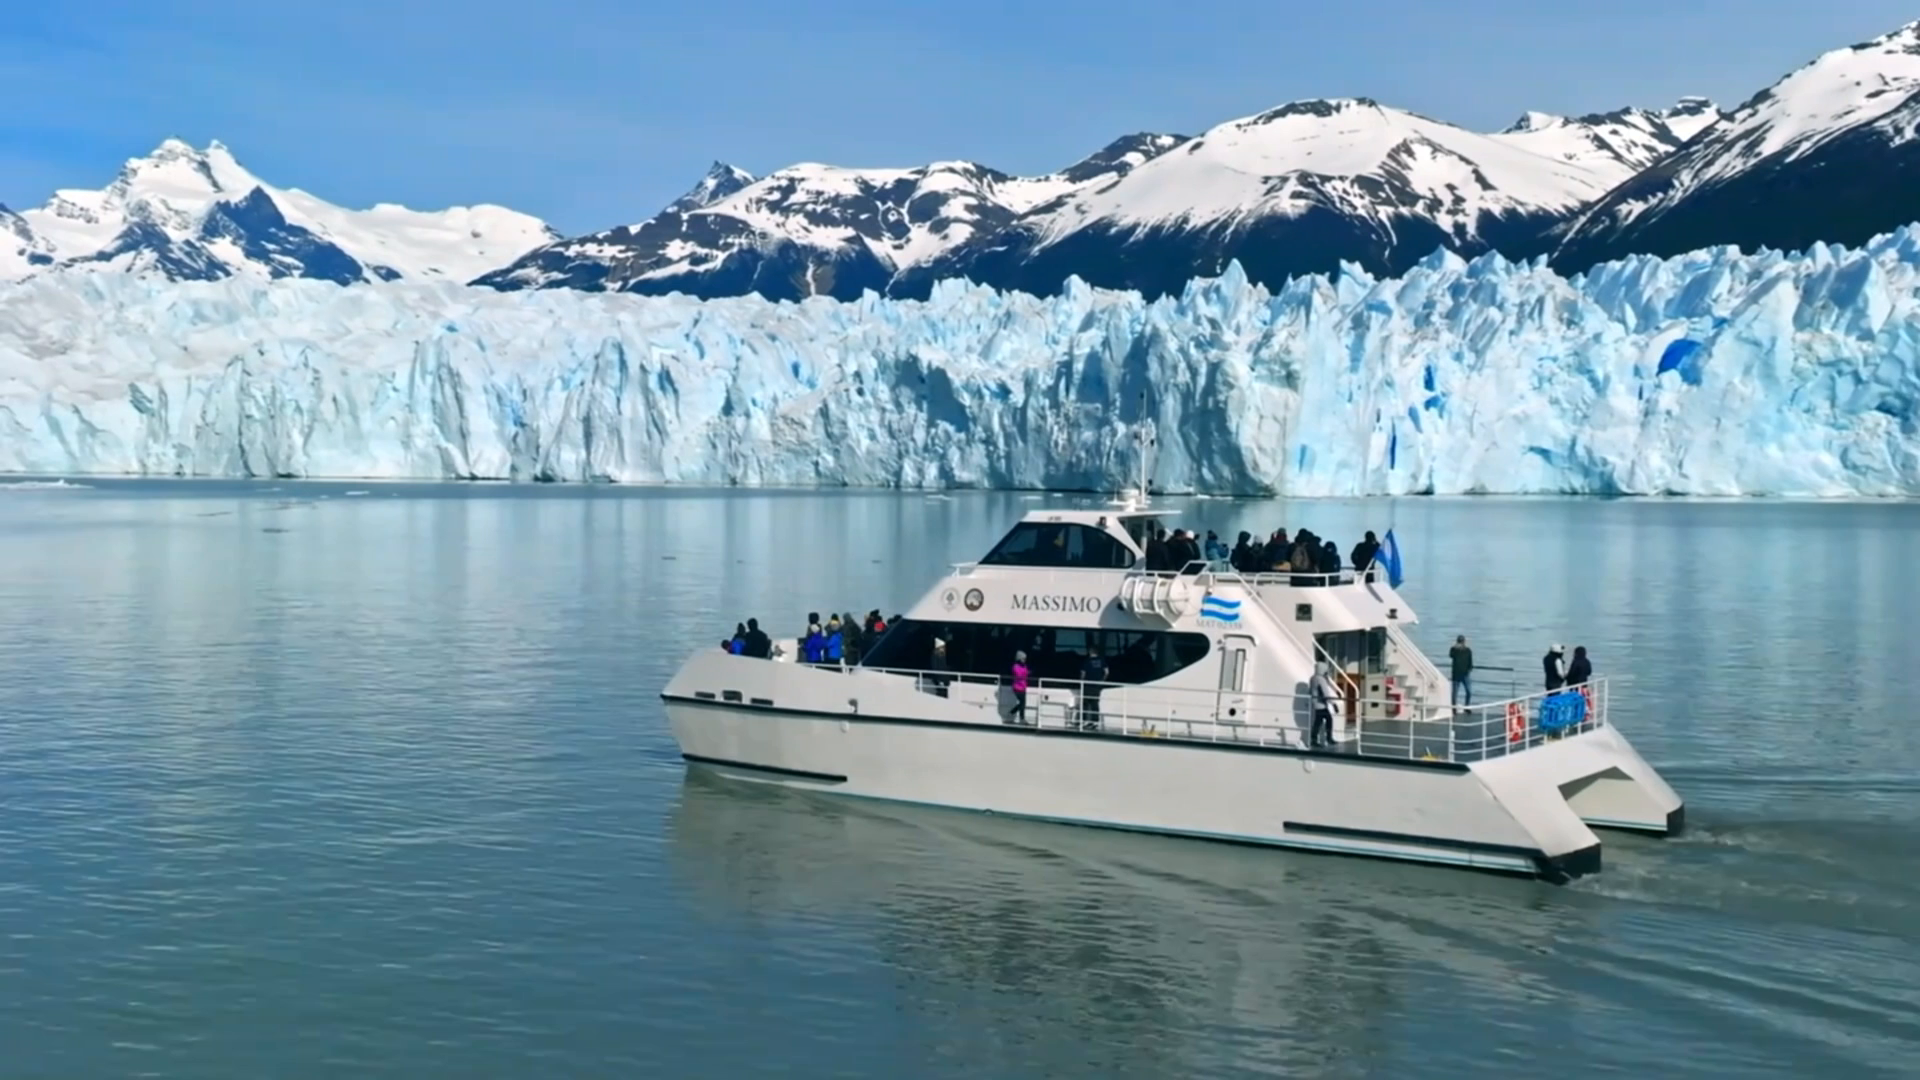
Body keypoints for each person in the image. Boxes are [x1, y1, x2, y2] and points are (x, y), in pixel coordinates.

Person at [1310, 661, 1338, 748]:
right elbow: (1325, 693)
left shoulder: (1312, 678)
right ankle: (1328, 738)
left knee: (1318, 721)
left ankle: (1314, 739)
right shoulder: (1321, 679)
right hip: (1321, 704)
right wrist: (1333, 704)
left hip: (1315, 703)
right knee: (1328, 719)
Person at [1079, 647, 1108, 730]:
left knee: (1085, 703)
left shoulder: (1086, 661)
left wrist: (1081, 681)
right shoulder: (1102, 661)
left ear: (1090, 652)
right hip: (1097, 685)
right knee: (1095, 703)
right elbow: (1107, 672)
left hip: (1087, 685)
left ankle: (1084, 721)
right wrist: (1102, 680)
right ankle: (1095, 721)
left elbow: (1083, 673)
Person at [1449, 634, 1473, 706]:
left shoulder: (1468, 650)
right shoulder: (1454, 650)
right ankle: (1454, 708)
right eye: (1459, 642)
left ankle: (1467, 705)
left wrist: (1469, 669)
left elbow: (1470, 661)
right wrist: (1455, 647)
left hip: (1465, 674)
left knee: (1469, 691)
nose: (1461, 644)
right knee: (1454, 693)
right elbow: (1451, 655)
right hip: (1456, 674)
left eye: (1461, 642)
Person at [1009, 650, 1030, 725]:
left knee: (1022, 703)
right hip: (1017, 687)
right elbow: (1019, 675)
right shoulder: (1015, 666)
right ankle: (1021, 718)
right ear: (1019, 658)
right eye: (1023, 659)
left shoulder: (1024, 666)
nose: (1024, 660)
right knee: (1022, 703)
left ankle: (1014, 713)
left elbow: (1026, 673)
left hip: (1023, 687)